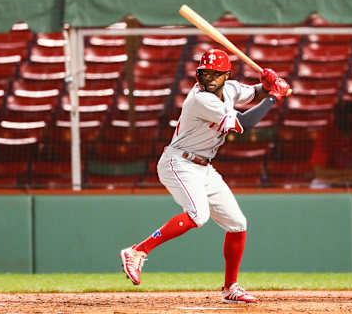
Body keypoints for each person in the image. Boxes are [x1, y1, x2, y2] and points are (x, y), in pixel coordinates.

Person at [120, 49, 290, 303]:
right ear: (199, 75)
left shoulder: (230, 88)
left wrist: (265, 85)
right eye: (205, 73)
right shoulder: (201, 100)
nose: (210, 78)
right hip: (179, 161)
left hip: (203, 166)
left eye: (216, 74)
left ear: (226, 76)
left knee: (237, 223)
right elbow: (243, 124)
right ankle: (138, 251)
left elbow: (253, 93)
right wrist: (274, 97)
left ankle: (230, 288)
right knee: (199, 215)